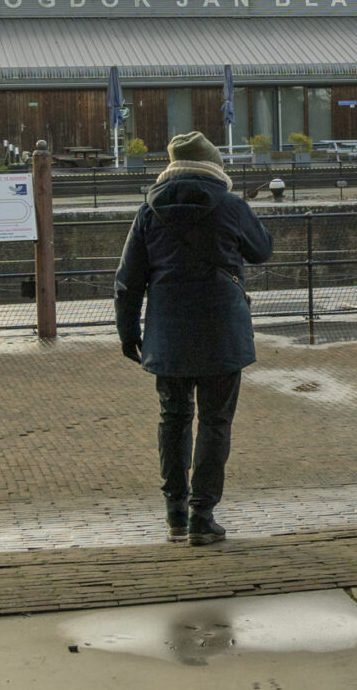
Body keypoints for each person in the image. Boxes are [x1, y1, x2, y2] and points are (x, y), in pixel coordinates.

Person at [115, 131, 273, 546]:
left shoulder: (149, 211)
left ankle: (175, 514)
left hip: (169, 333)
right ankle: (203, 515)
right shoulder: (230, 205)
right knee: (215, 422)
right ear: (214, 166)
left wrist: (129, 335)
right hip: (223, 331)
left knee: (173, 418)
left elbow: (127, 281)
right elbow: (262, 250)